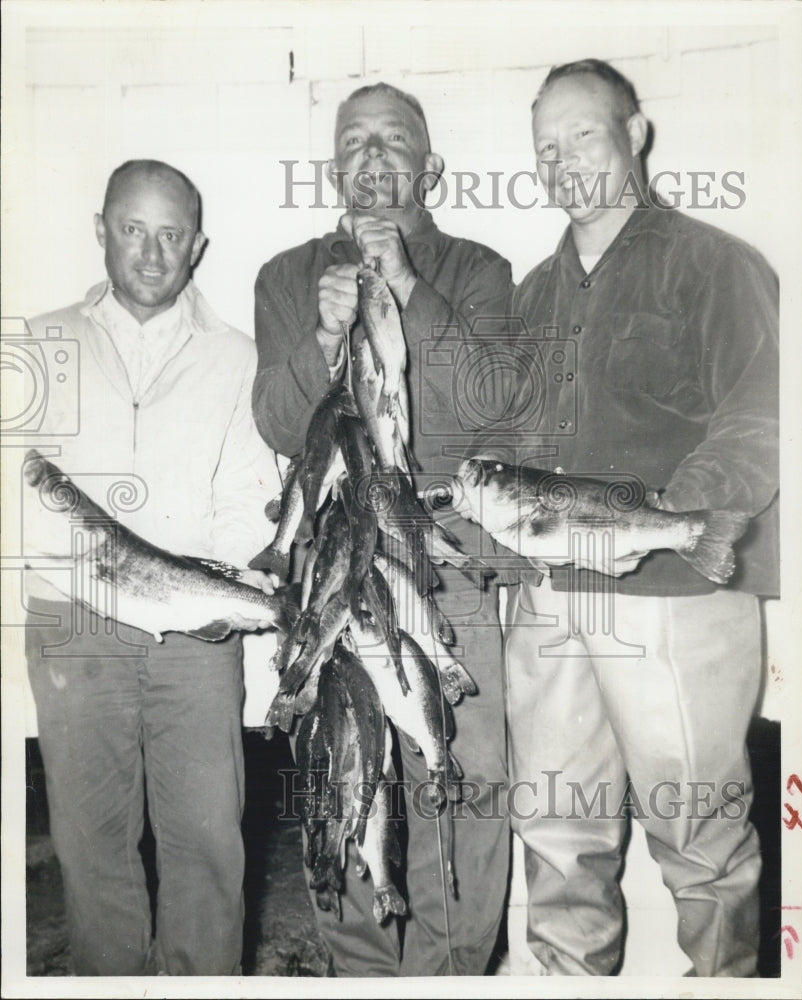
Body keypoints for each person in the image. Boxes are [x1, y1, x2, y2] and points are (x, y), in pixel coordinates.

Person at [493, 59, 779, 976]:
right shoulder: (533, 294)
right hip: (550, 602)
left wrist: (661, 521)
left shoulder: (716, 264)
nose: (563, 160)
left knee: (700, 843)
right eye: (546, 147)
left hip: (675, 593)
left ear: (636, 134)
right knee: (554, 833)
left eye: (583, 134)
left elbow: (761, 418)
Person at [252, 82, 513, 976]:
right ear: (333, 167)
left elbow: (485, 412)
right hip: (331, 566)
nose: (372, 155)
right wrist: (324, 339)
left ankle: (449, 979)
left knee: (457, 781)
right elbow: (279, 423)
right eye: (354, 140)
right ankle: (362, 977)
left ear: (428, 167)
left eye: (393, 139)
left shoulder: (478, 270)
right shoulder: (286, 276)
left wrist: (405, 286)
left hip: (440, 562)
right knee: (343, 770)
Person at [23, 159, 281, 975]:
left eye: (171, 235)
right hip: (72, 628)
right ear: (101, 230)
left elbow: (248, 491)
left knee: (207, 843)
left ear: (197, 246)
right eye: (133, 230)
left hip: (196, 635)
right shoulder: (38, 341)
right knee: (91, 842)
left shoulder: (237, 356)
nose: (151, 253)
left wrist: (228, 582)